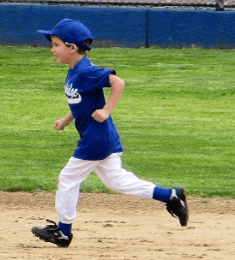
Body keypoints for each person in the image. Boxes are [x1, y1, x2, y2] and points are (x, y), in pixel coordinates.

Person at [31, 18, 189, 248]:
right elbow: (80, 103)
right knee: (117, 181)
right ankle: (170, 196)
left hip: (95, 140)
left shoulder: (85, 71)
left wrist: (106, 110)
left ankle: (63, 232)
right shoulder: (74, 71)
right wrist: (65, 120)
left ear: (72, 48)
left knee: (67, 180)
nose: (52, 50)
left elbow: (118, 82)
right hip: (103, 138)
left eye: (55, 44)